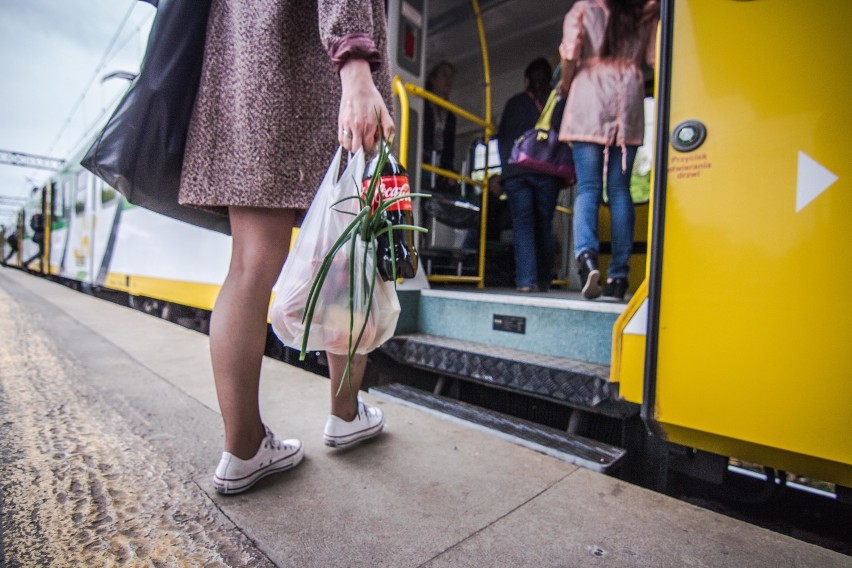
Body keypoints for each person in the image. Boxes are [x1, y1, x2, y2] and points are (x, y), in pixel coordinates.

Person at [177, 0, 395, 495]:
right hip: (322, 76)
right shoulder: (347, 65)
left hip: (249, 76)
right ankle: (345, 414)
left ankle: (244, 447)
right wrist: (356, 63)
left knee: (249, 267)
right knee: (347, 256)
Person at [558, 0, 659, 301]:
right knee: (620, 191)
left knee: (588, 188)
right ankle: (619, 275)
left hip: (588, 94)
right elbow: (655, 58)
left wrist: (566, 86)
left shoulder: (583, 8)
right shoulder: (645, 11)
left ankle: (587, 258)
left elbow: (570, 53)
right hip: (628, 94)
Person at [493, 58, 564, 292]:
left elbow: (503, 140)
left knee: (523, 225)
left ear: (526, 80)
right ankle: (544, 280)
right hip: (547, 172)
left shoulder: (514, 103)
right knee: (543, 224)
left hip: (516, 172)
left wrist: (506, 174)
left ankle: (525, 281)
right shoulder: (557, 103)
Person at [422, 61, 457, 191]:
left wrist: (449, 169)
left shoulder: (451, 116)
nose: (449, 81)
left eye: (451, 77)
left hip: (440, 163)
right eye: (444, 75)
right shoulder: (422, 105)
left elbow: (449, 148)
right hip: (424, 160)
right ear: (433, 79)